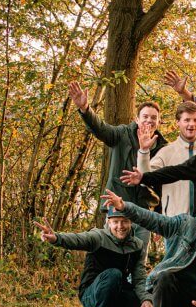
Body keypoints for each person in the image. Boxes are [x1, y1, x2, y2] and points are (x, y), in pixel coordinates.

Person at [67, 81, 167, 262]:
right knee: (112, 258)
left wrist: (159, 218)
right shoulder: (122, 134)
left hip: (144, 211)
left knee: (138, 260)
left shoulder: (163, 148)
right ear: (137, 119)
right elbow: (101, 128)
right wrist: (85, 109)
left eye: (154, 118)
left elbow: (161, 186)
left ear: (159, 121)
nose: (149, 120)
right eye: (145, 116)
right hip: (117, 208)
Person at [33, 209, 153, 307]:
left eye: (124, 221)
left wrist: (145, 299)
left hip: (117, 292)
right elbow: (78, 239)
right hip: (92, 294)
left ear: (131, 222)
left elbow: (139, 278)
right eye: (116, 222)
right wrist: (56, 238)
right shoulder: (98, 237)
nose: (120, 226)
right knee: (113, 274)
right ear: (109, 222)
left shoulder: (137, 245)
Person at [136, 101, 196, 218]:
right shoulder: (166, 152)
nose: (191, 124)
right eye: (187, 120)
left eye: (195, 120)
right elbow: (145, 177)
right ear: (178, 122)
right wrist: (144, 151)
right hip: (173, 220)